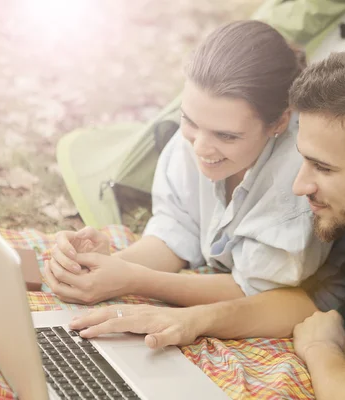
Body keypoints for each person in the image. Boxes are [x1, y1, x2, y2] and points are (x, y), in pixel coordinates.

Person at [68, 43, 345, 399]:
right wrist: (192, 321)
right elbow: (313, 302)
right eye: (303, 162)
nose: (300, 186)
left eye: (323, 168)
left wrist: (321, 351)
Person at [44, 20, 330, 306]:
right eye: (190, 121)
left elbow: (254, 291)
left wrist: (133, 279)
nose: (201, 147)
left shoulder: (298, 185)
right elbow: (178, 230)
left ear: (279, 122)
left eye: (226, 135)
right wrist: (104, 265)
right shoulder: (190, 143)